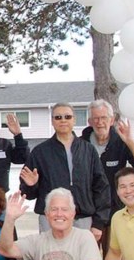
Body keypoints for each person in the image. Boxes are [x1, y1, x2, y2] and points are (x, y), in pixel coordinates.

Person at [19, 102, 110, 242]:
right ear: (52, 121)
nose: (63, 120)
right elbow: (28, 194)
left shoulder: (88, 150)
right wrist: (31, 185)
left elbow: (101, 187)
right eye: (58, 117)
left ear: (74, 120)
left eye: (67, 117)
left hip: (83, 219)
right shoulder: (40, 152)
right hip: (51, 220)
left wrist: (98, 222)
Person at [80, 99, 134, 260]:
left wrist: (130, 142)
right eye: (95, 118)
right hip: (87, 214)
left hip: (115, 213)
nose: (100, 122)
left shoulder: (120, 142)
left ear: (112, 120)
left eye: (104, 118)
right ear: (89, 121)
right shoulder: (80, 144)